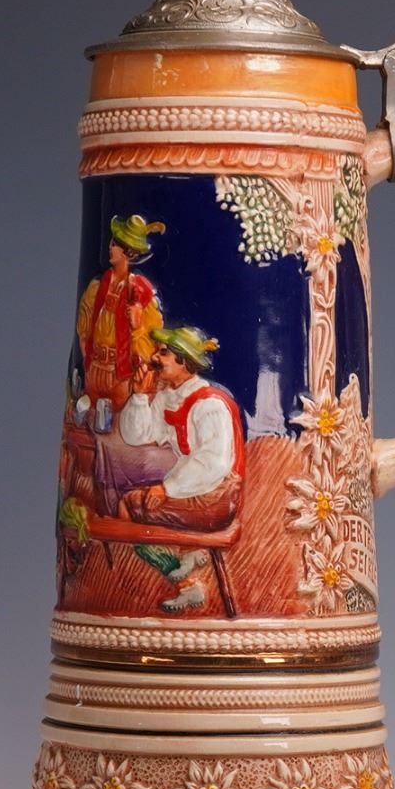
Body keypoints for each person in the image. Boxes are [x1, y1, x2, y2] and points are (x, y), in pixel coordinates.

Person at [116, 326, 245, 612]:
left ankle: (186, 579)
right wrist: (139, 396)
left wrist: (167, 489)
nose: (155, 358)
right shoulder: (168, 398)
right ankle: (188, 572)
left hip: (217, 497)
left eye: (163, 353)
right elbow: (137, 436)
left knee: (128, 507)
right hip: (193, 491)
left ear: (184, 362)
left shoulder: (210, 405)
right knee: (131, 501)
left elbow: (214, 462)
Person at [72, 215, 165, 414]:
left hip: (121, 374)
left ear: (128, 252)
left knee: (120, 423)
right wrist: (87, 356)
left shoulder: (141, 294)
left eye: (115, 244)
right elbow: (84, 326)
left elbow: (153, 343)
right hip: (95, 368)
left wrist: (137, 327)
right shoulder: (96, 288)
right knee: (88, 420)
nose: (110, 247)